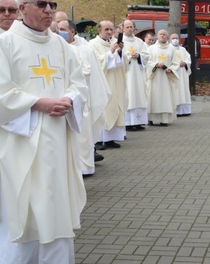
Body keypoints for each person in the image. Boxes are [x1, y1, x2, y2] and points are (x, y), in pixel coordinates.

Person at [0, 0, 86, 264]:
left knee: (55, 197)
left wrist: (70, 99)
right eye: (41, 4)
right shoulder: (5, 44)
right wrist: (38, 103)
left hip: (57, 135)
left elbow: (78, 82)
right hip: (21, 137)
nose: (49, 10)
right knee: (23, 199)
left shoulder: (61, 46)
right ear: (22, 9)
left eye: (52, 4)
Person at [61, 19, 110, 176]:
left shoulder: (84, 49)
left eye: (62, 29)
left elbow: (87, 72)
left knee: (82, 135)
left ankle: (84, 167)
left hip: (81, 99)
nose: (58, 32)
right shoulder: (55, 47)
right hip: (61, 100)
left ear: (72, 31)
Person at [90, 20, 127, 149]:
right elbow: (96, 63)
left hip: (116, 81)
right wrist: (110, 52)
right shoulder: (93, 44)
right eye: (106, 29)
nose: (110, 32)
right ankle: (99, 140)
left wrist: (121, 52)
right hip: (102, 82)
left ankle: (111, 138)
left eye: (111, 29)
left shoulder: (114, 43)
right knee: (103, 109)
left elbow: (123, 63)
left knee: (115, 107)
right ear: (99, 31)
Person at [145, 29, 179, 125]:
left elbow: (175, 62)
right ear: (157, 36)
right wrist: (155, 64)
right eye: (161, 34)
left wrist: (171, 69)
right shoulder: (151, 49)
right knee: (153, 97)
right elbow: (147, 62)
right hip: (154, 77)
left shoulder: (172, 49)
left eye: (164, 34)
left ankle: (165, 120)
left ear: (167, 37)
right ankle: (151, 119)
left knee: (165, 97)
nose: (163, 36)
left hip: (166, 77)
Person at [121, 19, 150, 130]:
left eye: (131, 27)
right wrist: (129, 56)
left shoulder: (139, 41)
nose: (129, 29)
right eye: (127, 27)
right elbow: (118, 55)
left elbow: (147, 54)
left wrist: (139, 55)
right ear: (123, 28)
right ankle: (128, 123)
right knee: (129, 95)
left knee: (138, 95)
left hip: (138, 73)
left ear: (134, 28)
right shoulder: (120, 41)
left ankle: (138, 122)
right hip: (127, 74)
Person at [170, 33, 192, 116]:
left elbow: (188, 59)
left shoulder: (183, 49)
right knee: (176, 91)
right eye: (173, 38)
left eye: (176, 38)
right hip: (174, 73)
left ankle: (185, 110)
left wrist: (185, 63)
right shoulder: (168, 49)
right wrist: (177, 64)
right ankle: (176, 110)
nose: (175, 40)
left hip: (183, 73)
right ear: (170, 39)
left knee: (184, 90)